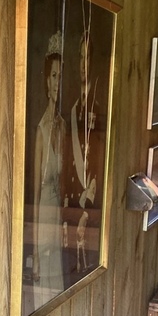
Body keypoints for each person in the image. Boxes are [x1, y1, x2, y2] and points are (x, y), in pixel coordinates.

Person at [63, 30, 104, 278]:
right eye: (80, 57)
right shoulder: (72, 108)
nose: (82, 64)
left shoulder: (98, 108)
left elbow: (98, 161)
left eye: (87, 57)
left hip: (89, 200)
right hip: (71, 200)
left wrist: (88, 203)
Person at [32, 31, 66, 309]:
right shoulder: (41, 130)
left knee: (60, 278)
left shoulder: (63, 127)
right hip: (44, 209)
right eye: (53, 76)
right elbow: (33, 191)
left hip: (58, 213)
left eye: (61, 76)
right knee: (45, 278)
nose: (58, 82)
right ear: (46, 80)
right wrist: (32, 245)